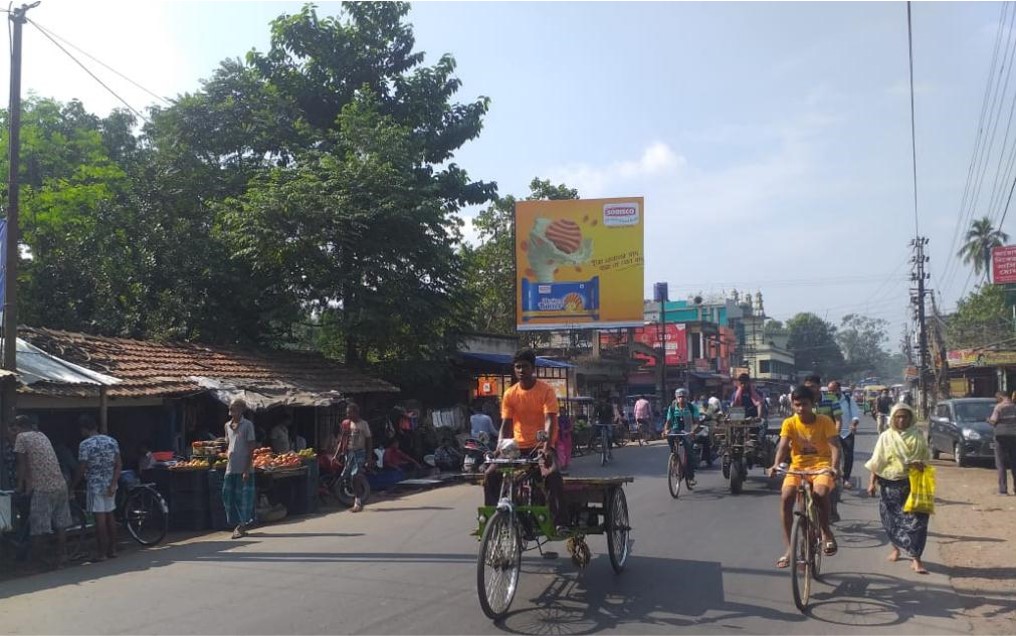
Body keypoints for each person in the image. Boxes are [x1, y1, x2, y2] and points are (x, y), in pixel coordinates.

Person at [483, 348, 567, 534]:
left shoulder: (546, 390)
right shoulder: (510, 394)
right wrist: (498, 449)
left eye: (525, 366)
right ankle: (491, 520)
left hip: (540, 445)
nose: (521, 370)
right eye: (518, 367)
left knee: (552, 474)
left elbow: (550, 420)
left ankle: (560, 521)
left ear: (533, 368)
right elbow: (506, 424)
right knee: (490, 474)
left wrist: (546, 448)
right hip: (516, 447)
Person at [768, 387, 840, 569]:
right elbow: (783, 446)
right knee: (786, 498)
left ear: (812, 404)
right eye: (797, 405)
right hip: (798, 466)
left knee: (820, 492)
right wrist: (776, 464)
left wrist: (834, 468)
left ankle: (825, 532)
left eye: (804, 404)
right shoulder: (789, 423)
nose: (801, 409)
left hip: (821, 465)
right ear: (792, 405)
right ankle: (790, 550)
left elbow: (834, 447)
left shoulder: (824, 421)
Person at [864, 402, 931, 574]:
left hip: (915, 483)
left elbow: (926, 458)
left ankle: (916, 559)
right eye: (898, 417)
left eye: (905, 416)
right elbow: (877, 462)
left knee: (918, 523)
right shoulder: (886, 437)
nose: (902, 420)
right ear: (893, 419)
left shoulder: (918, 436)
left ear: (911, 418)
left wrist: (919, 465)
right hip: (890, 485)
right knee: (891, 521)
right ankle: (896, 548)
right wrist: (872, 483)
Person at [11, 415, 72, 568]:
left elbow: (22, 465)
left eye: (15, 429)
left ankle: (36, 563)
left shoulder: (22, 437)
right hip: (60, 483)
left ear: (19, 427)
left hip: (43, 488)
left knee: (38, 528)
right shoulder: (41, 435)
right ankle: (62, 557)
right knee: (60, 524)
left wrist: (20, 487)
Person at [71, 415, 121, 561]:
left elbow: (81, 468)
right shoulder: (112, 441)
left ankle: (102, 553)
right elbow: (119, 464)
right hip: (111, 484)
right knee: (110, 516)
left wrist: (73, 486)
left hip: (94, 485)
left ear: (84, 429)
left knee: (99, 520)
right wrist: (113, 483)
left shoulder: (85, 445)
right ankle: (113, 549)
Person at [222, 399, 257, 539]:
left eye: (235, 408)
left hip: (244, 467)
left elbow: (250, 448)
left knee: (244, 499)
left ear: (242, 410)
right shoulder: (227, 426)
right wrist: (227, 454)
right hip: (231, 467)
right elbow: (229, 444)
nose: (231, 410)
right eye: (231, 408)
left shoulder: (247, 425)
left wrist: (247, 469)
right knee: (228, 496)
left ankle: (242, 526)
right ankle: (237, 523)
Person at [337, 402, 373, 513]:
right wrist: (337, 454)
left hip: (360, 452)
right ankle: (355, 498)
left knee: (355, 475)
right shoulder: (346, 424)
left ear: (356, 412)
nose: (347, 415)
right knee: (347, 475)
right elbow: (342, 439)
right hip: (348, 452)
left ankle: (357, 502)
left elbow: (369, 440)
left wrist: (369, 457)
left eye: (349, 412)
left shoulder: (363, 424)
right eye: (347, 413)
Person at [665, 388, 700, 488]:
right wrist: (666, 430)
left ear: (686, 398)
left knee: (689, 453)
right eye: (679, 397)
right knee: (670, 436)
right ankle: (674, 455)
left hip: (688, 431)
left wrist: (693, 431)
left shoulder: (692, 407)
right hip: (676, 430)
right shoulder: (672, 408)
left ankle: (690, 477)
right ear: (676, 398)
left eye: (683, 397)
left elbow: (697, 422)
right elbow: (668, 422)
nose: (681, 399)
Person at [829, 380, 860, 488]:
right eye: (830, 391)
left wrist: (854, 423)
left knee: (848, 456)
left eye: (834, 390)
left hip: (846, 432)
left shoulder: (847, 400)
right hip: (830, 433)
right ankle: (830, 475)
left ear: (839, 390)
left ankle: (846, 478)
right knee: (830, 455)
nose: (831, 393)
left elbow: (855, 414)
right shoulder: (826, 401)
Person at [988, 391, 1016, 495]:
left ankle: (1003, 490)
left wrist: (988, 420)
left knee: (1001, 463)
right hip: (1014, 436)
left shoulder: (998, 407)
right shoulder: (1014, 407)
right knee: (1015, 463)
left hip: (1000, 436)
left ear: (1000, 397)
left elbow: (993, 421)